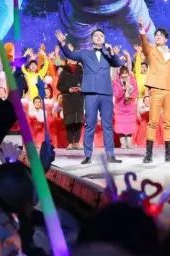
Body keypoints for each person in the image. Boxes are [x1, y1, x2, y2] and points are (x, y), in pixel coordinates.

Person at [56, 28, 122, 164]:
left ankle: (110, 154)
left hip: (105, 92)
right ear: (92, 39)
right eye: (96, 35)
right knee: (90, 124)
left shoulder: (107, 53)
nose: (98, 37)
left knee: (107, 124)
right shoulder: (84, 53)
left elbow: (117, 63)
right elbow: (70, 54)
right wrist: (62, 43)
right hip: (91, 92)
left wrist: (111, 53)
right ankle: (87, 155)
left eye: (101, 35)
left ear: (104, 39)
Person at [138, 25, 170, 163]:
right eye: (156, 35)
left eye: (161, 35)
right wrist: (142, 33)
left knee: (168, 122)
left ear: (166, 39)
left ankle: (168, 153)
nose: (158, 37)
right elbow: (144, 46)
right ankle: (148, 154)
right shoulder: (151, 50)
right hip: (156, 88)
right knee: (153, 122)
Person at [57, 59, 85, 150]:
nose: (73, 60)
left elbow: (87, 83)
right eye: (71, 59)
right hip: (68, 99)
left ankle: (76, 142)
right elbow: (59, 86)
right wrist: (68, 89)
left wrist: (82, 88)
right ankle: (70, 142)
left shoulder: (81, 72)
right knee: (69, 121)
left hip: (79, 99)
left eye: (74, 59)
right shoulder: (64, 72)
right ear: (68, 60)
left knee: (78, 121)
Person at [113, 65, 139, 150]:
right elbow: (116, 94)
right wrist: (123, 89)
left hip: (130, 107)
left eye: (126, 73)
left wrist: (130, 95)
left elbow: (136, 92)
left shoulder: (132, 81)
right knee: (121, 126)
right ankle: (123, 144)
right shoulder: (116, 82)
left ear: (128, 73)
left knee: (130, 126)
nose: (124, 75)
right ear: (120, 74)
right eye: (122, 74)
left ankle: (129, 143)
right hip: (120, 108)